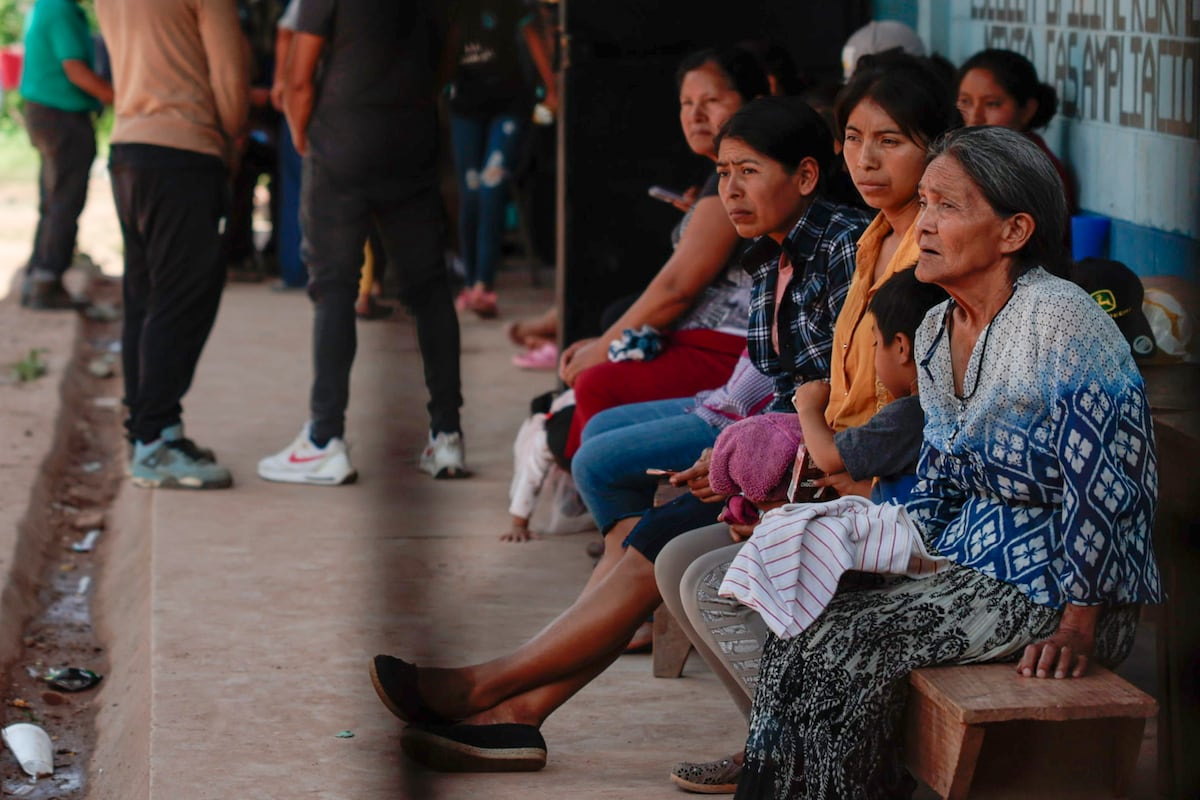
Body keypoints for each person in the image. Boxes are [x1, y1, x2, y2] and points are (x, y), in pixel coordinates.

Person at [367, 95, 870, 774]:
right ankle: (512, 710)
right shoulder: (771, 257)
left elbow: (840, 401)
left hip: (824, 483)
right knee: (649, 531)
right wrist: (722, 455)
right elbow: (779, 394)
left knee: (658, 538)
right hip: (776, 465)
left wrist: (738, 461)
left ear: (806, 176)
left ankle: (490, 694)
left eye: (748, 171)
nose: (731, 190)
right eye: (723, 173)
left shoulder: (845, 248)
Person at [727, 125, 1163, 799]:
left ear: (1014, 230)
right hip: (966, 561)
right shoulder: (935, 328)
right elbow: (938, 484)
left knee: (853, 649)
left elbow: (1107, 491)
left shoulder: (1063, 323)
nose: (922, 225)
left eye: (946, 207)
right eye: (923, 203)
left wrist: (1080, 624)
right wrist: (862, 541)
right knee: (802, 623)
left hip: (1054, 586)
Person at [658, 50, 960, 794]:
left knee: (706, 578)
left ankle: (814, 750)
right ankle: (780, 743)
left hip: (886, 489)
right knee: (677, 561)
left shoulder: (929, 248)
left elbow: (896, 414)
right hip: (840, 469)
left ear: (933, 146)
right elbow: (821, 391)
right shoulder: (868, 240)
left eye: (889, 140)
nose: (866, 159)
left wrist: (805, 477)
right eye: (854, 138)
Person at [257, 0, 469, 485]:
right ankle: (446, 437)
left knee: (334, 287)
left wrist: (303, 138)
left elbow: (297, 77)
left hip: (343, 140)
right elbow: (446, 59)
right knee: (429, 290)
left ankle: (324, 439)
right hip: (413, 139)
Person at [557, 47, 770, 460]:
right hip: (713, 334)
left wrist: (603, 348)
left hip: (736, 348)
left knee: (596, 383)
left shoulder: (743, 178)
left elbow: (677, 288)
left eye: (711, 100)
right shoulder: (717, 178)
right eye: (687, 103)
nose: (695, 114)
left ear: (755, 104)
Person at [96, 0, 248, 489]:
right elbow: (229, 79)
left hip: (129, 151)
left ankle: (152, 430)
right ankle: (154, 444)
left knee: (145, 299)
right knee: (182, 299)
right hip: (184, 150)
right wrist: (233, 141)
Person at [447, 0, 557, 318]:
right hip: (465, 108)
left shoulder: (511, 5)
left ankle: (485, 285)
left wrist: (551, 87)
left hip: (508, 106)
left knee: (491, 187)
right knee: (469, 194)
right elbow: (444, 48)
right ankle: (469, 283)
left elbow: (534, 38)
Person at [19, 0, 113, 310]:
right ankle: (47, 281)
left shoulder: (52, 6)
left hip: (46, 112)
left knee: (54, 197)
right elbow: (75, 69)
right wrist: (121, 99)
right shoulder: (59, 8)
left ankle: (39, 275)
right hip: (61, 116)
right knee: (64, 200)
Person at [956, 48, 1077, 214]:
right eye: (965, 101)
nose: (975, 117)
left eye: (992, 104)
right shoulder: (968, 158)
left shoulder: (1033, 172)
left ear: (1027, 110)